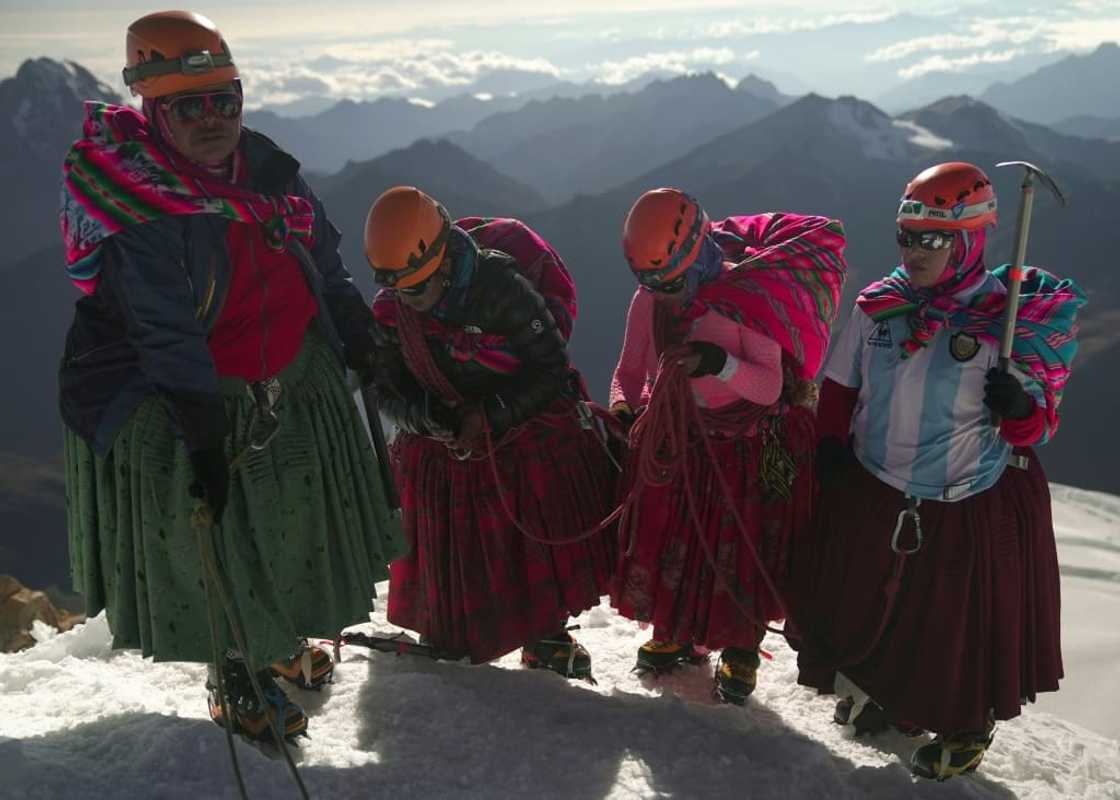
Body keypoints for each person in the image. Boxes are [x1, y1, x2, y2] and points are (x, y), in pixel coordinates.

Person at [59, 10, 404, 742]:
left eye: (227, 100)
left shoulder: (268, 170)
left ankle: (275, 648)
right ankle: (235, 669)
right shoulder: (140, 207)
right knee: (222, 531)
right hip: (177, 389)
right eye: (190, 106)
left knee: (286, 518)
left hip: (275, 368)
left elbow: (322, 256)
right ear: (153, 111)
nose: (214, 119)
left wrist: (357, 332)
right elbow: (165, 330)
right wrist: (204, 442)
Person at [793, 162, 1086, 779]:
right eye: (907, 235)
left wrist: (1020, 408)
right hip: (876, 486)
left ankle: (963, 724)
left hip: (961, 497)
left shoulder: (1003, 325)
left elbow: (1034, 429)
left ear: (972, 239)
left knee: (953, 626)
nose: (916, 250)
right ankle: (896, 704)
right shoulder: (880, 308)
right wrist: (829, 449)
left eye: (933, 238)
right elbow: (841, 389)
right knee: (884, 610)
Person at [363, 186, 618, 678]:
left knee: (523, 533)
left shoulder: (500, 285)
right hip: (447, 431)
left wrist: (493, 414)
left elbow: (551, 371)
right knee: (458, 533)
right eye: (398, 289)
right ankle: (450, 622)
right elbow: (385, 386)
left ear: (441, 262)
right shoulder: (395, 311)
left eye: (415, 288)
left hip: (515, 427)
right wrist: (427, 419)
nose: (408, 301)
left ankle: (543, 631)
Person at [608, 188, 847, 704]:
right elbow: (629, 368)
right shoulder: (650, 297)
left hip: (747, 445)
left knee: (737, 546)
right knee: (684, 537)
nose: (659, 291)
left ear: (694, 258)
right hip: (684, 437)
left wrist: (718, 364)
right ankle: (679, 630)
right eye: (649, 281)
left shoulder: (746, 298)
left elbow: (770, 386)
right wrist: (626, 407)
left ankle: (740, 645)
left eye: (668, 280)